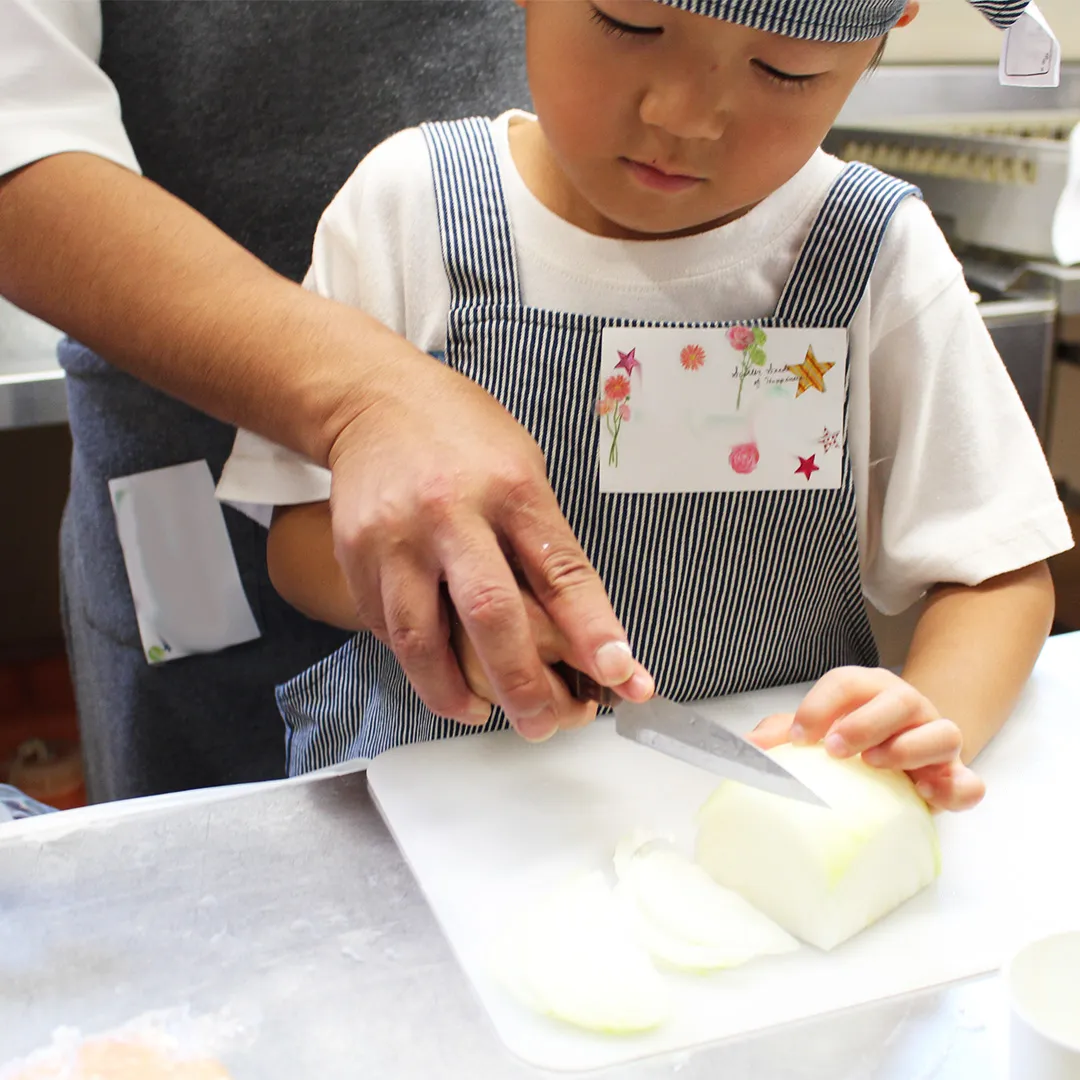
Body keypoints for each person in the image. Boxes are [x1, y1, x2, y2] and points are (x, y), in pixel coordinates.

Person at [217, 0, 1072, 812]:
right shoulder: (414, 207)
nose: (685, 115)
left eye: (783, 69)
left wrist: (925, 721)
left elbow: (996, 569)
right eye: (629, 24)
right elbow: (298, 534)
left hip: (750, 822)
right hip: (437, 808)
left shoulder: (870, 255)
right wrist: (449, 606)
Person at [0, 0, 647, 802]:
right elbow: (17, 140)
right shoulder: (398, 193)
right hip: (186, 483)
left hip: (507, 525)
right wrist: (370, 397)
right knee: (212, 841)